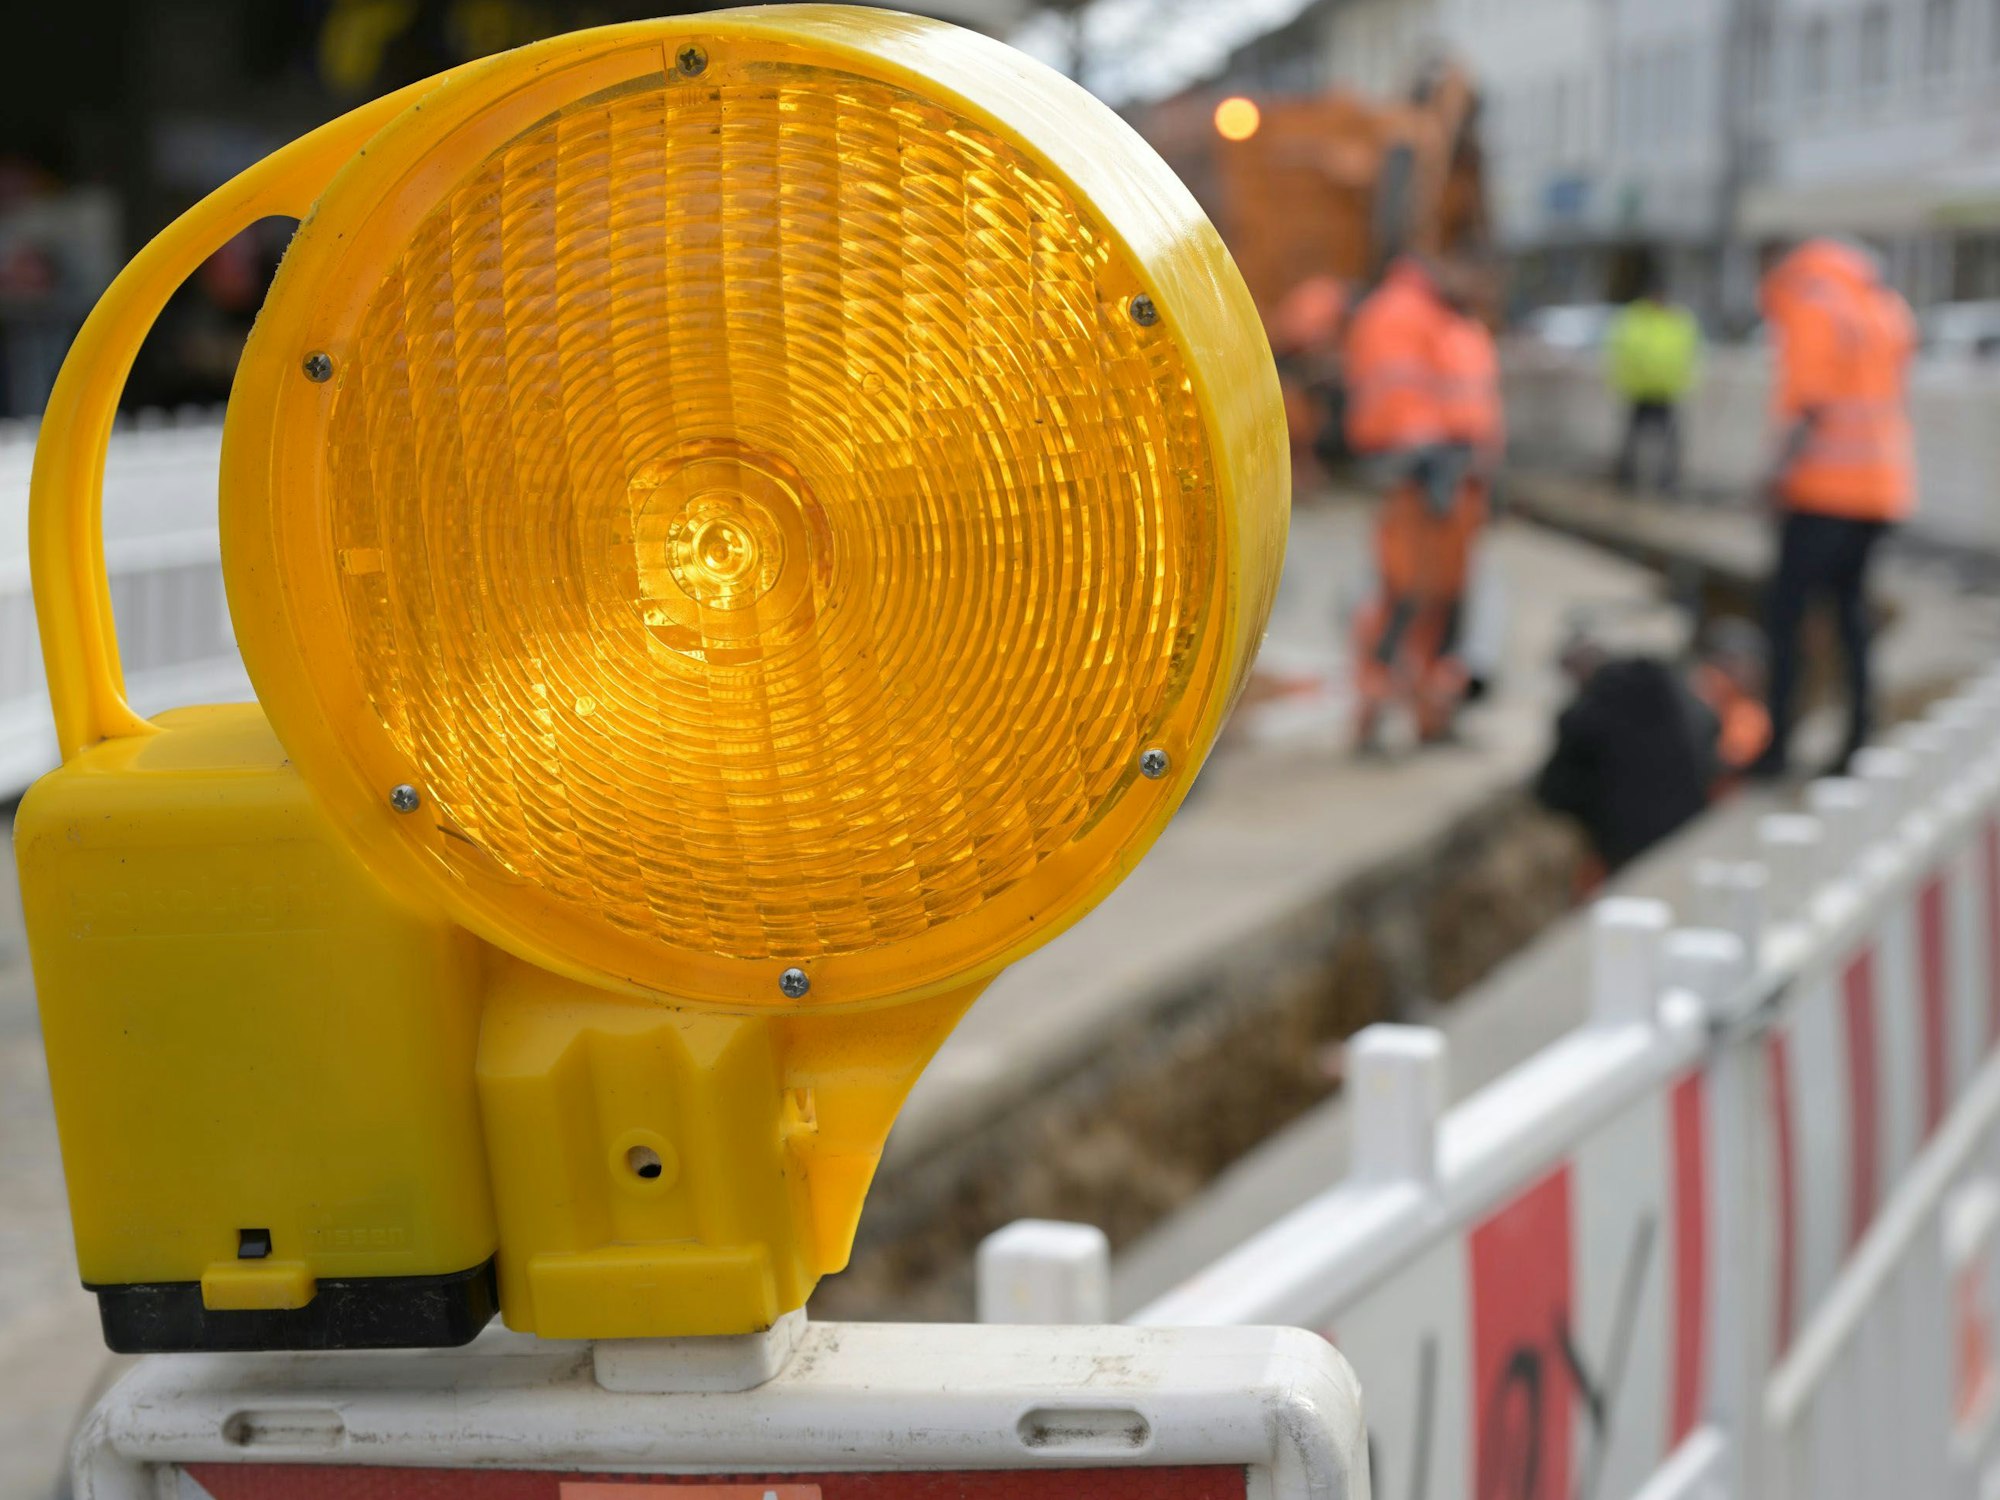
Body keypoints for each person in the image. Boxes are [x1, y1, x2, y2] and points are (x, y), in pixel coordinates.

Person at [1749, 239, 1916, 779]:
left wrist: (1772, 478)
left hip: (1824, 491)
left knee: (1787, 617)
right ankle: (1857, 740)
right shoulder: (1879, 300)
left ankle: (1777, 749)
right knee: (1850, 616)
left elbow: (1808, 398)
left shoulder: (1811, 299)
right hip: (1880, 488)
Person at [1343, 254, 1496, 749]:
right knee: (1405, 594)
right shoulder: (1400, 314)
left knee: (1447, 599)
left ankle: (1431, 715)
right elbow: (1396, 395)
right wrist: (1426, 456)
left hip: (1457, 477)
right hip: (1420, 477)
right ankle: (1374, 715)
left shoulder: (1449, 320)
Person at [1536, 630, 1719, 879]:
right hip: (1688, 825)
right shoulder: (1665, 686)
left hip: (1626, 844)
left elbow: (1552, 791)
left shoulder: (1587, 715)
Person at [1606, 271, 1702, 495]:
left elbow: (1689, 353)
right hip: (1640, 390)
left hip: (1667, 391)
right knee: (1631, 440)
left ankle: (1667, 482)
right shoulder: (1634, 318)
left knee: (1670, 442)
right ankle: (1626, 480)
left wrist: (1684, 382)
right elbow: (1621, 352)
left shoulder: (1678, 320)